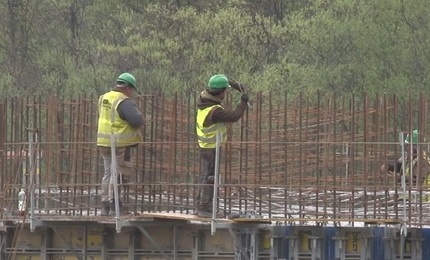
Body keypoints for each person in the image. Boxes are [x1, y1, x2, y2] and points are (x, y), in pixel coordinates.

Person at [195, 74, 249, 217]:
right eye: (225, 90)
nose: (226, 93)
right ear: (220, 92)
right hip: (211, 146)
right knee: (209, 177)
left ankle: (201, 205)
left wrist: (234, 84)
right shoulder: (215, 111)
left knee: (206, 175)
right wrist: (243, 103)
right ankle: (204, 208)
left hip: (206, 145)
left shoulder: (204, 101)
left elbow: (218, 82)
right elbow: (234, 116)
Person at [97, 72, 144, 216]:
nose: (131, 94)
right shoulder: (123, 101)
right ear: (128, 88)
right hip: (121, 144)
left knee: (108, 173)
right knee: (117, 174)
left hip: (104, 142)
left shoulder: (104, 98)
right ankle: (115, 206)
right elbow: (137, 120)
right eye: (132, 91)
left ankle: (105, 205)